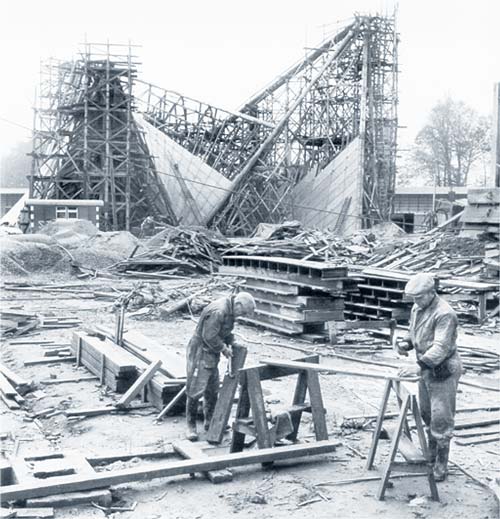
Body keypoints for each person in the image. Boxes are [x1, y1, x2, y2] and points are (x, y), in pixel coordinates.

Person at [397, 273, 462, 481]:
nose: (415, 302)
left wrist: (417, 367)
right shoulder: (418, 307)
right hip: (427, 370)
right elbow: (414, 331)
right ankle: (431, 456)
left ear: (431, 293)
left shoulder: (445, 314)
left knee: (441, 418)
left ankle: (441, 465)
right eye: (413, 298)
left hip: (443, 371)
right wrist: (405, 343)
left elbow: (440, 347)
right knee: (427, 414)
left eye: (419, 297)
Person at [185, 291, 256, 441]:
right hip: (200, 351)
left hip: (211, 352)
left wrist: (232, 341)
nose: (240, 316)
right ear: (238, 305)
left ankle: (210, 421)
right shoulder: (219, 310)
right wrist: (224, 349)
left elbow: (223, 331)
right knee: (196, 388)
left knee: (212, 387)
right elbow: (209, 336)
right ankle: (190, 426)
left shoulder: (229, 311)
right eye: (242, 312)